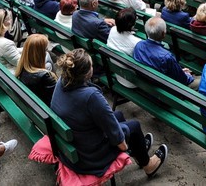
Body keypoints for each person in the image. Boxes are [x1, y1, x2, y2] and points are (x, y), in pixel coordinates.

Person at [50, 49, 168, 178]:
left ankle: (138, 149)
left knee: (119, 115)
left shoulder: (63, 79)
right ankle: (148, 165)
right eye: (91, 65)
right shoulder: (92, 96)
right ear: (87, 73)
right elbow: (120, 143)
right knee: (134, 126)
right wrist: (124, 145)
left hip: (74, 143)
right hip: (89, 157)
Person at [133, 17, 199, 89]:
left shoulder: (139, 45)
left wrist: (180, 71)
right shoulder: (166, 57)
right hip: (167, 88)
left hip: (150, 82)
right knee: (202, 81)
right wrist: (187, 75)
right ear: (163, 34)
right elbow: (183, 80)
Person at [15, 34, 57, 105]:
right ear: (39, 53)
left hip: (33, 102)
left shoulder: (22, 66)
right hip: (45, 108)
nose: (47, 52)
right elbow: (55, 97)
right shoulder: (45, 76)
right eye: (45, 50)